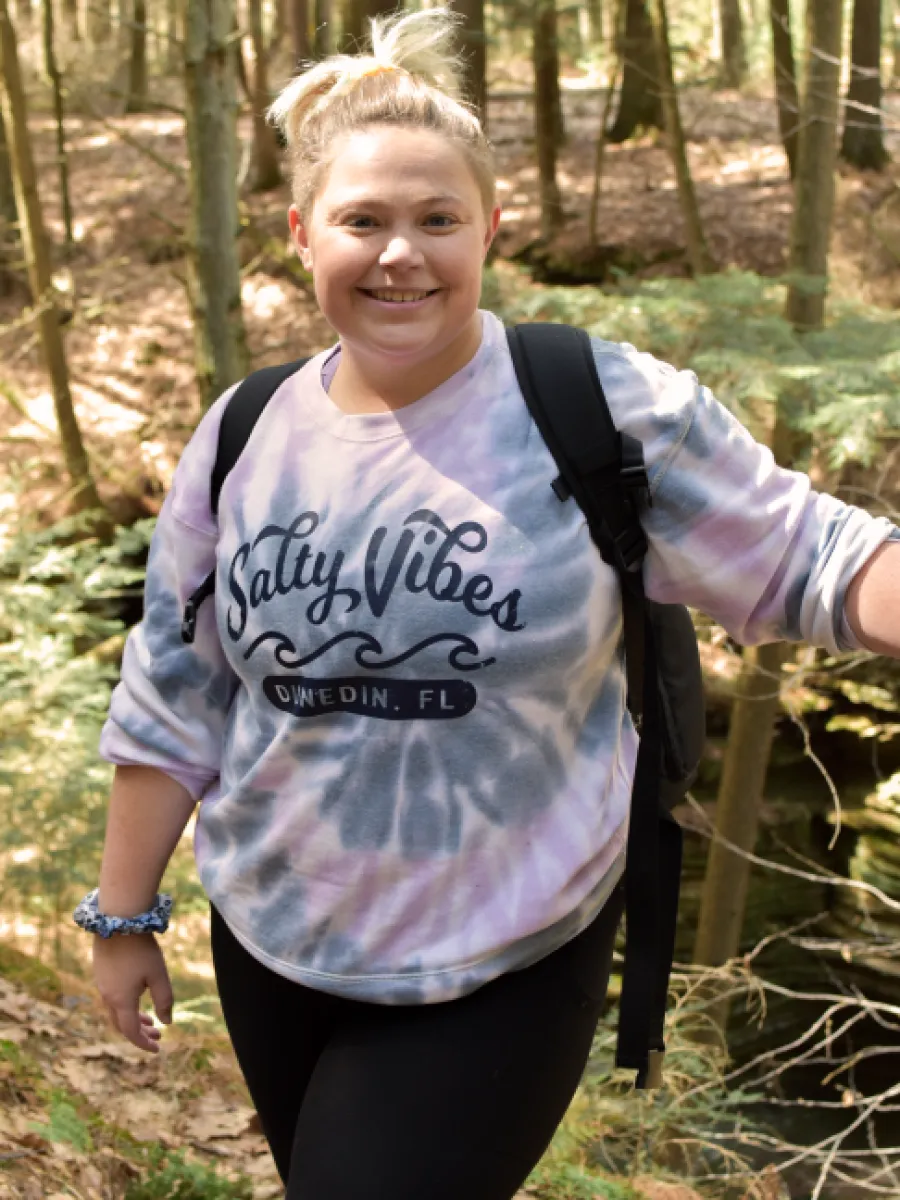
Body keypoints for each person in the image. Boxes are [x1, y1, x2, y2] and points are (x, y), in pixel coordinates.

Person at [80, 9, 900, 1199]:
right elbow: (178, 690)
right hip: (272, 936)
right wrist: (121, 916)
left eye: (436, 220)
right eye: (363, 221)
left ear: (491, 230)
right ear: (303, 234)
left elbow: (813, 555)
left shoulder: (599, 406)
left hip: (501, 958)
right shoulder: (245, 432)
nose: (399, 254)